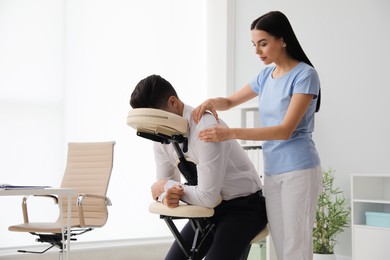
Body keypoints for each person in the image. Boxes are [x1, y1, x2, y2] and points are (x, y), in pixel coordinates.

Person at [192, 11, 323, 260]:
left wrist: (230, 133)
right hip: (273, 171)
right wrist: (212, 102)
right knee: (281, 242)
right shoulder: (266, 76)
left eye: (263, 43)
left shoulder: (305, 75)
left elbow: (284, 130)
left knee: (296, 243)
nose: (257, 51)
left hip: (300, 169)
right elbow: (230, 101)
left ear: (282, 40)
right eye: (254, 45)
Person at [130, 74, 267, 260]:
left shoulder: (206, 128)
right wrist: (165, 196)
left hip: (243, 208)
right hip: (208, 210)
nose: (155, 128)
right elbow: (165, 184)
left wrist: (165, 187)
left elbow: (206, 196)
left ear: (173, 102)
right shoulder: (161, 135)